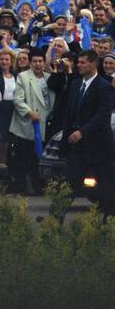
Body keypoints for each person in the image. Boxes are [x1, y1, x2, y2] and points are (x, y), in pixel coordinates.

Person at [59, 49, 115, 217]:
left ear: (93, 63)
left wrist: (82, 132)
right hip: (78, 147)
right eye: (78, 62)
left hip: (99, 146)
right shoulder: (76, 84)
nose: (79, 65)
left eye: (83, 63)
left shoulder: (104, 87)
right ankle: (55, 219)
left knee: (105, 186)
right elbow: (70, 112)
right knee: (69, 182)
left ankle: (109, 221)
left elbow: (102, 115)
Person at [8, 48, 52, 194]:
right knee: (24, 158)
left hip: (45, 122)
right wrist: (29, 112)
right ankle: (22, 188)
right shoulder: (23, 77)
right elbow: (18, 100)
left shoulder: (49, 77)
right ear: (30, 63)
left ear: (44, 63)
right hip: (27, 124)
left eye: (40, 61)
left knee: (39, 159)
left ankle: (39, 187)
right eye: (35, 61)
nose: (38, 64)